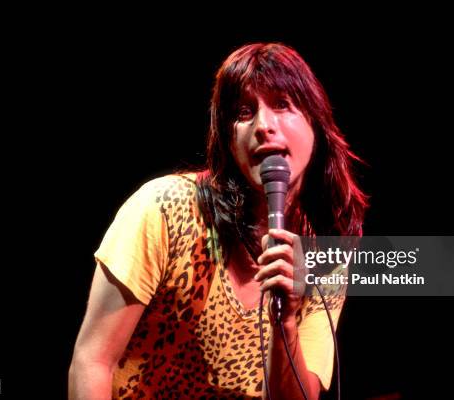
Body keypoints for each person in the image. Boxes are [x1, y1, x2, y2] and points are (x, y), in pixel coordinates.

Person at [68, 42, 368, 399]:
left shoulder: (325, 258)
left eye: (282, 104)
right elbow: (93, 360)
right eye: (244, 112)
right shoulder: (164, 209)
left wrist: (284, 322)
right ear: (227, 139)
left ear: (316, 124)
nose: (263, 126)